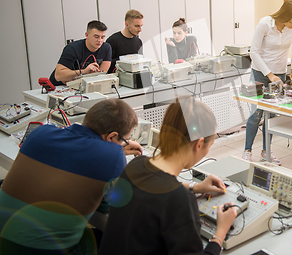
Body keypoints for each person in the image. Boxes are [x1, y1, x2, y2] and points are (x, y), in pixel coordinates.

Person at [0, 99, 143, 254]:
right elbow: (110, 206)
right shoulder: (113, 157)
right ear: (112, 137)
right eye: (125, 140)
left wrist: (116, 150)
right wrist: (117, 156)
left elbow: (69, 158)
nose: (125, 144)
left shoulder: (40, 133)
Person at [98, 96, 237, 255]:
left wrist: (195, 187)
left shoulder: (136, 165)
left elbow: (154, 188)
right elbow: (169, 197)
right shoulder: (179, 200)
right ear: (199, 144)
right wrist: (220, 233)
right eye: (209, 145)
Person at [242, 0, 292, 165]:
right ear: (283, 17)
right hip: (260, 73)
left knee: (272, 116)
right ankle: (247, 150)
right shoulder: (265, 24)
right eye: (291, 21)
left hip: (280, 73)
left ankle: (266, 151)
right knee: (256, 114)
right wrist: (269, 75)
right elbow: (253, 52)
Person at [49, 20, 112, 86]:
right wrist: (84, 72)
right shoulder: (72, 48)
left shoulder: (106, 48)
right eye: (96, 37)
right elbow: (58, 75)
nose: (100, 40)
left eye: (102, 37)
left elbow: (101, 75)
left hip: (82, 84)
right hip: (59, 86)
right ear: (87, 35)